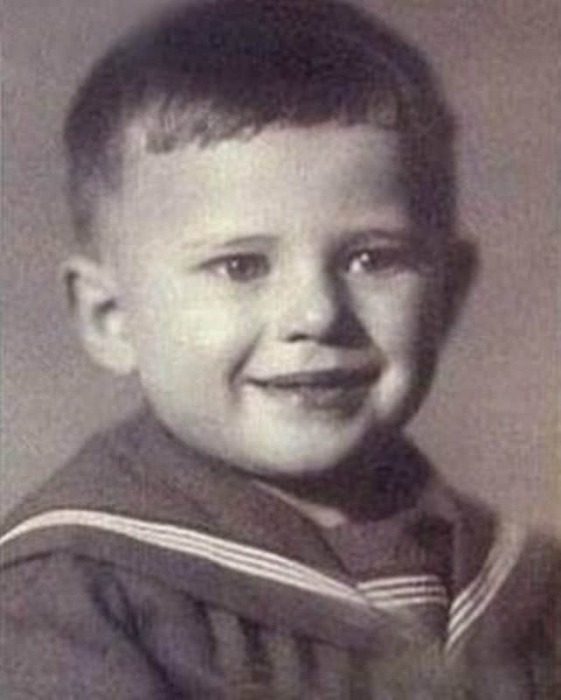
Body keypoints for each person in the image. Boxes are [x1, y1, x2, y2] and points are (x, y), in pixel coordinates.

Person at [0, 0, 558, 697]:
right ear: (110, 319)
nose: (317, 314)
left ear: (448, 293)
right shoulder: (69, 598)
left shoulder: (519, 584)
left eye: (371, 258)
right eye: (241, 266)